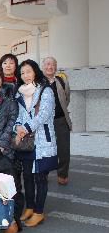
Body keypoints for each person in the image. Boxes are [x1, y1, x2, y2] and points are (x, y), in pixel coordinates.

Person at [15, 59, 56, 227]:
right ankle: (30, 207)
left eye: (28, 71)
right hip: (27, 142)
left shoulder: (45, 90)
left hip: (41, 141)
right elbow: (20, 115)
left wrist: (26, 127)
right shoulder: (20, 93)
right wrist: (17, 126)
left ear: (35, 72)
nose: (25, 75)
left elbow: (44, 114)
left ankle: (39, 212)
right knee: (27, 177)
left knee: (40, 178)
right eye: (23, 73)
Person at [42, 56, 72, 185]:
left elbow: (67, 98)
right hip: (43, 123)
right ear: (43, 67)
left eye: (52, 64)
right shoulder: (38, 82)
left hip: (60, 120)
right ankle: (43, 174)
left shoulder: (61, 80)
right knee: (45, 149)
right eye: (47, 64)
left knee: (64, 150)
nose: (50, 67)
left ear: (56, 67)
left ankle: (63, 174)